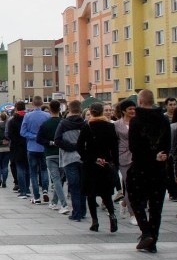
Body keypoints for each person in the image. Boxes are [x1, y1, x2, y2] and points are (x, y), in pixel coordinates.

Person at [128, 89, 171, 254]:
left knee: (136, 199)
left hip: (140, 167)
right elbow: (167, 143)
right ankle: (153, 239)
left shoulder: (136, 121)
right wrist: (161, 155)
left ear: (139, 101)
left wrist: (151, 155)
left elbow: (134, 147)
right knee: (156, 205)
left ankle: (146, 232)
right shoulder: (164, 119)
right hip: (159, 168)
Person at [76, 103, 119, 233]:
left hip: (91, 164)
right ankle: (112, 215)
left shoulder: (87, 126)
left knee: (91, 194)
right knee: (106, 193)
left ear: (91, 112)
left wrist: (89, 158)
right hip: (105, 163)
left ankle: (95, 221)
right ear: (102, 112)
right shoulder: (110, 126)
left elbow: (79, 146)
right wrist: (113, 163)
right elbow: (114, 147)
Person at [55, 100, 85, 221]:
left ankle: (76, 212)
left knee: (73, 186)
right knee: (83, 186)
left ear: (69, 109)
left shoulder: (63, 124)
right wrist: (79, 147)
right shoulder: (85, 124)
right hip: (83, 158)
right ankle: (83, 211)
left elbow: (57, 140)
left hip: (69, 158)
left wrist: (70, 147)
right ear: (80, 109)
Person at [37, 100, 68, 213]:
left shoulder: (45, 124)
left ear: (49, 109)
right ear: (60, 109)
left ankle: (64, 204)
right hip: (62, 153)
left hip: (50, 154)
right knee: (59, 179)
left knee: (56, 180)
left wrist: (50, 143)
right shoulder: (64, 122)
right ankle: (54, 202)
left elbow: (39, 139)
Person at [21, 96, 50, 204]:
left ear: (32, 103)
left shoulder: (28, 116)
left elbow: (22, 132)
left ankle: (36, 196)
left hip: (32, 147)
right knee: (43, 170)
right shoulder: (47, 116)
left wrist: (33, 136)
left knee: (33, 172)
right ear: (42, 103)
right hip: (43, 147)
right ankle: (45, 190)